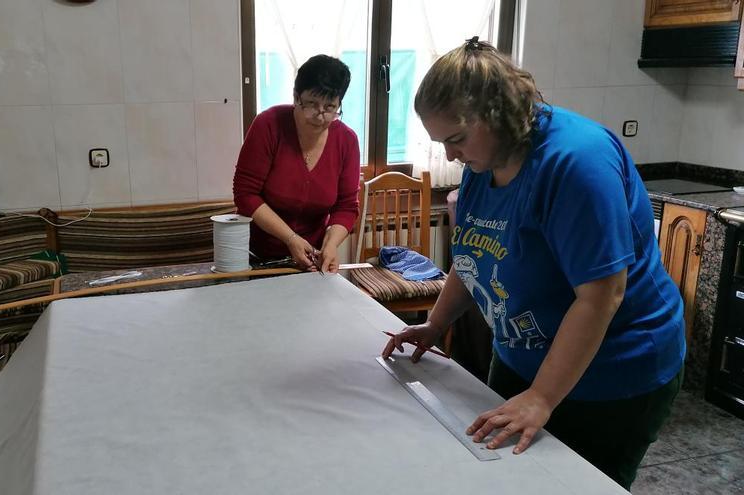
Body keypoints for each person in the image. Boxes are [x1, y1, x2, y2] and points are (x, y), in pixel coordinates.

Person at [381, 37, 685, 490]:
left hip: (615, 374)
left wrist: (542, 397)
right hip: (522, 355)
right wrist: (434, 324)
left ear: (498, 112)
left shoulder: (576, 163)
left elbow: (603, 294)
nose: (450, 155)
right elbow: (471, 258)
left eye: (456, 139)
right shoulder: (482, 165)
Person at [233, 55, 360, 273]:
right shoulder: (268, 125)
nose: (320, 116)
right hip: (257, 259)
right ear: (295, 97)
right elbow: (245, 194)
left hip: (311, 259)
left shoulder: (347, 141)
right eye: (311, 104)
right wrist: (290, 238)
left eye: (330, 107)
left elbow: (346, 206)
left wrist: (330, 244)